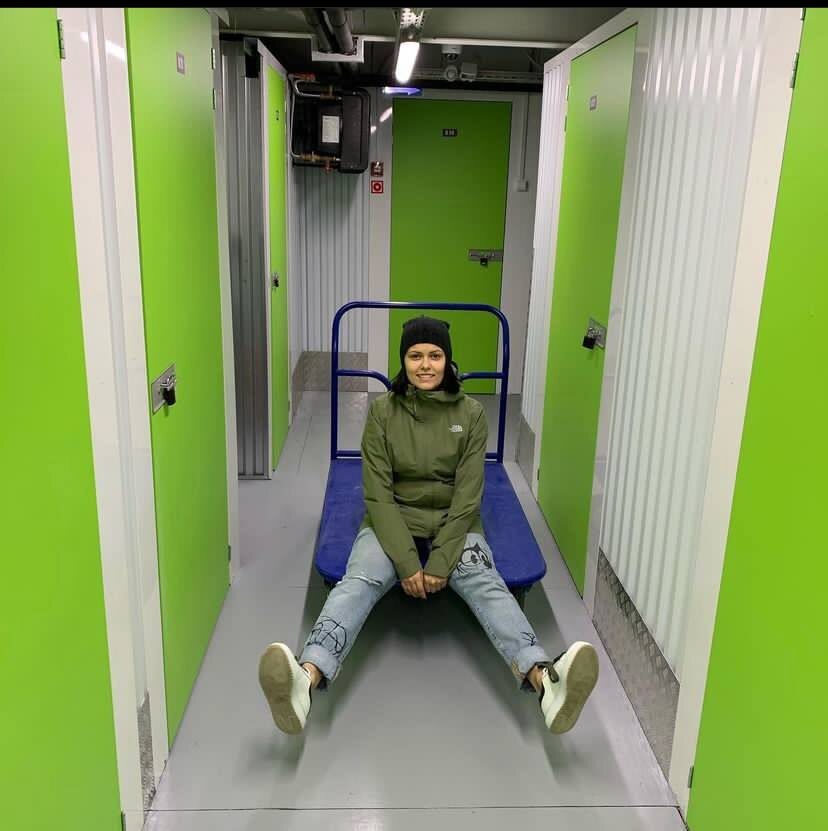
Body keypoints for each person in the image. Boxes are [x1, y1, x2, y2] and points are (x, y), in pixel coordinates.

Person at [258, 316, 599, 735]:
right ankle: (304, 680)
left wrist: (440, 562)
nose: (425, 365)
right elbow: (378, 493)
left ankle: (546, 682)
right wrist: (407, 563)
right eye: (415, 355)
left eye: (434, 355)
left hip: (454, 521)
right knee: (358, 581)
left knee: (486, 583)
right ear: (403, 361)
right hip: (393, 518)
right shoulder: (382, 412)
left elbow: (469, 494)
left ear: (447, 360)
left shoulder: (471, 414)